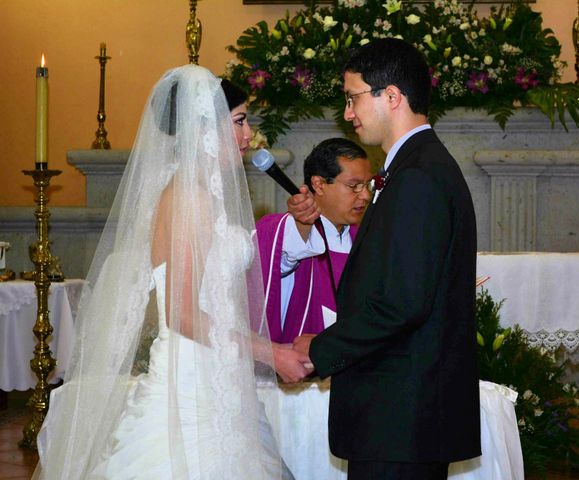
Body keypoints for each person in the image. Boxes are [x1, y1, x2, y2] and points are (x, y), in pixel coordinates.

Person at [35, 65, 291, 479]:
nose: (249, 136)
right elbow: (183, 314)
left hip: (214, 372)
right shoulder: (190, 199)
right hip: (191, 382)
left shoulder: (199, 194)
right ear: (205, 126)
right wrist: (271, 353)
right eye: (241, 121)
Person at [293, 38, 481, 479]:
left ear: (391, 96)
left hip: (400, 415)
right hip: (402, 415)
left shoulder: (416, 177)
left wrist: (322, 348)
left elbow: (403, 302)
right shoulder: (417, 167)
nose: (348, 113)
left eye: (353, 97)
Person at [257, 138, 372, 383]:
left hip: (355, 378)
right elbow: (284, 253)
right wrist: (301, 223)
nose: (365, 195)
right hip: (297, 385)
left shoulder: (366, 239)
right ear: (319, 184)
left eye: (367, 185)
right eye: (354, 186)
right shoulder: (284, 232)